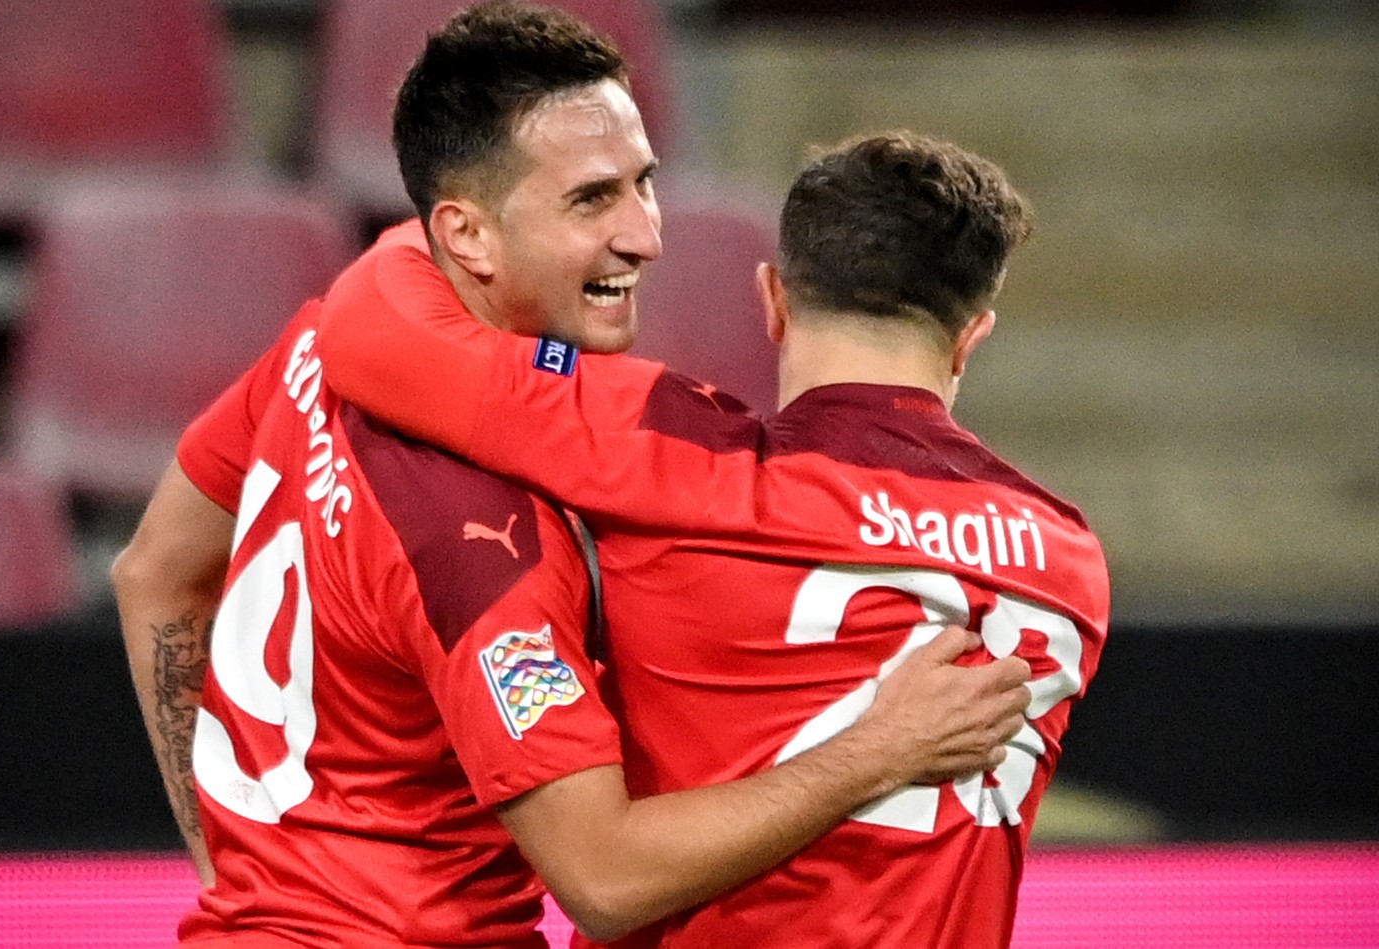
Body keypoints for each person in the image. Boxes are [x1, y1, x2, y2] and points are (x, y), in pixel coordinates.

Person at [111, 5, 1034, 947]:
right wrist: (880, 748)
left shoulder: (317, 340)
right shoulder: (480, 532)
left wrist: (248, 878)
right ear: (466, 234)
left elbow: (154, 573)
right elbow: (605, 876)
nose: (646, 236)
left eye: (646, 183)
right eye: (592, 200)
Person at [313, 129, 1111, 948]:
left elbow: (371, 331)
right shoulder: (1067, 556)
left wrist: (470, 220)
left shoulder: (675, 454)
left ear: (772, 299)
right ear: (973, 334)